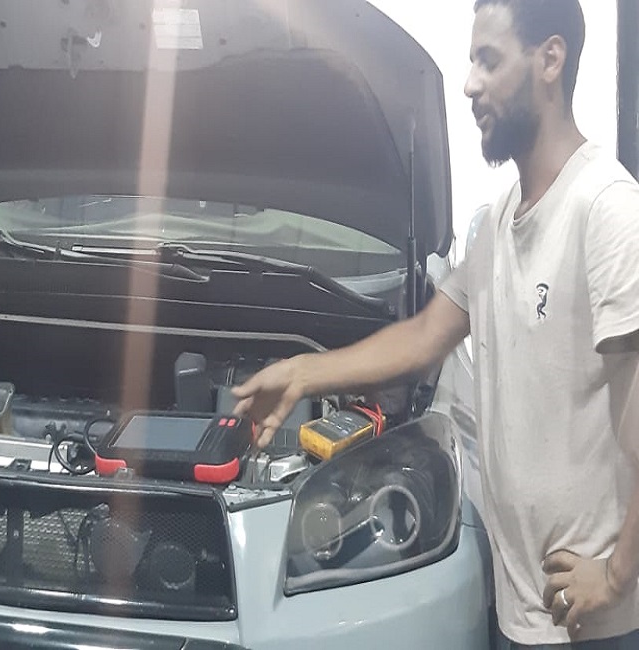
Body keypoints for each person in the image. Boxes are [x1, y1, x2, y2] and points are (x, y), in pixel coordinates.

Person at [231, 1, 639, 647]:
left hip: (592, 622)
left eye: (489, 61)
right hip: (523, 607)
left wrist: (616, 577)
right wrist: (302, 372)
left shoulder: (606, 210)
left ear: (550, 60)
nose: (470, 84)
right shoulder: (500, 219)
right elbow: (425, 336)